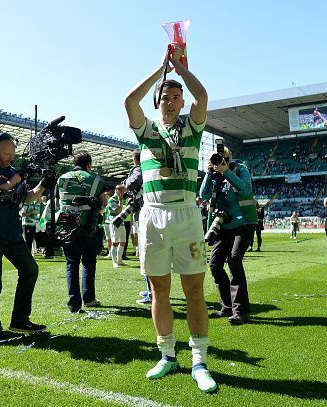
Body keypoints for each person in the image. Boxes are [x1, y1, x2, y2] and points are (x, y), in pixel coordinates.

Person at [124, 44, 216, 392]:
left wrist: (180, 69)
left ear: (181, 102)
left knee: (194, 289)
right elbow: (129, 102)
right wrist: (159, 69)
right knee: (159, 289)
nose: (172, 100)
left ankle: (199, 360)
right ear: (158, 101)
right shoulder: (146, 131)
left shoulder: (192, 129)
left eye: (177, 96)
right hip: (153, 216)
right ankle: (166, 354)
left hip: (187, 215)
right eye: (166, 95)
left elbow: (202, 95)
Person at [0, 132, 50, 339]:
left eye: (12, 153)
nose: (9, 157)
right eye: (5, 153)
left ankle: (20, 320)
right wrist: (15, 180)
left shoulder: (13, 171)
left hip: (12, 232)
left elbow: (28, 198)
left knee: (30, 269)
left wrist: (43, 184)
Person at [199, 146, 257, 325]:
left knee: (234, 260)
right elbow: (203, 194)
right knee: (215, 264)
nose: (219, 160)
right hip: (223, 224)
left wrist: (226, 172)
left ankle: (241, 310)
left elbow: (246, 190)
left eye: (223, 157)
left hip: (244, 223)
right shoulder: (213, 174)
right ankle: (227, 306)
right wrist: (210, 173)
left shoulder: (240, 170)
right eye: (216, 158)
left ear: (230, 157)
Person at [57, 151, 107, 312]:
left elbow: (60, 201)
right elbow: (103, 204)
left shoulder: (62, 178)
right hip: (88, 226)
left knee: (71, 264)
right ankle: (89, 298)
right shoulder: (96, 179)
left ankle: (74, 304)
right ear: (89, 164)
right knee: (88, 264)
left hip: (67, 226)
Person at [122, 148, 151, 304]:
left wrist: (124, 185)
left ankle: (151, 292)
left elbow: (133, 181)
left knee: (146, 255)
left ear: (134, 159)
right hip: (150, 213)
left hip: (144, 215)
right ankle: (151, 289)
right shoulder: (150, 168)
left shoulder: (139, 168)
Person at [107, 184, 127, 268]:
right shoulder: (111, 200)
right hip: (114, 223)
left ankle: (119, 260)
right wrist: (120, 200)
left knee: (123, 241)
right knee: (115, 242)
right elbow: (118, 210)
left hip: (121, 222)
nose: (123, 192)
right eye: (121, 191)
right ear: (116, 190)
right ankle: (114, 262)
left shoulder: (122, 199)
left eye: (124, 191)